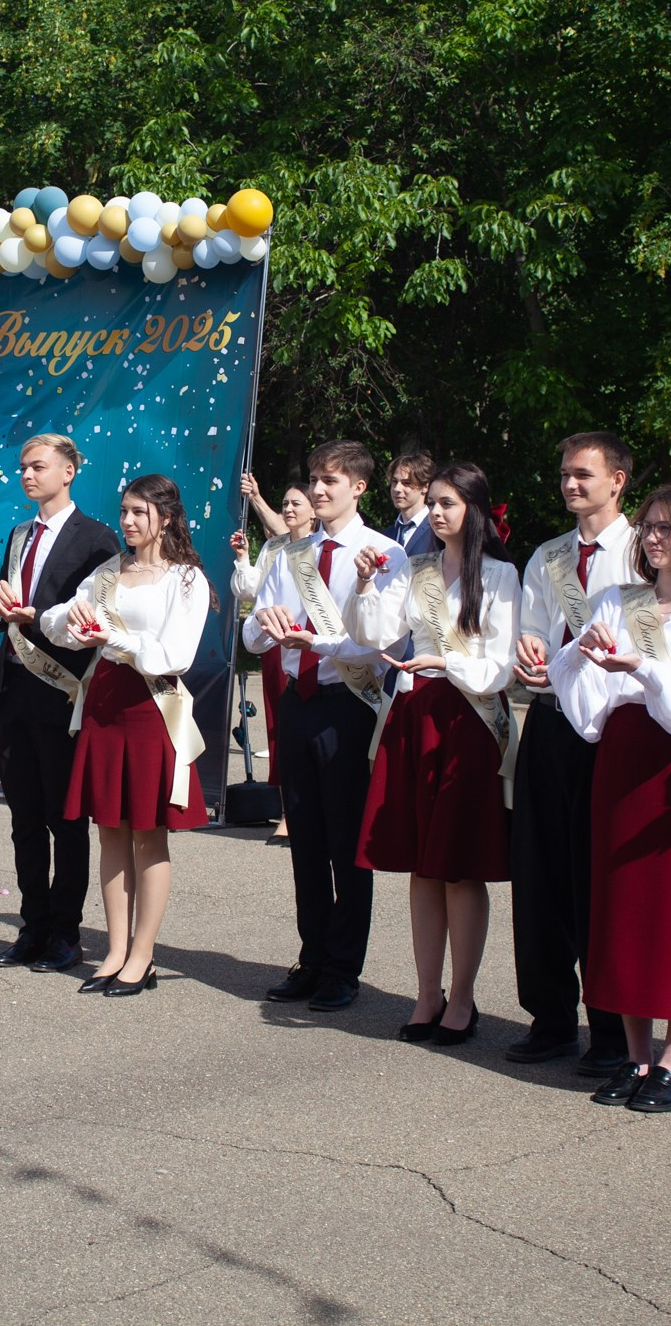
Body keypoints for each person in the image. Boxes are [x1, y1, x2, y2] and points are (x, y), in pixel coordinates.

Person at [552, 484, 671, 1114]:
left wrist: (642, 667)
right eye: (650, 528)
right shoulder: (618, 599)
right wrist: (574, 659)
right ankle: (635, 1055)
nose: (654, 537)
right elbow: (586, 710)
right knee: (621, 908)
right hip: (621, 759)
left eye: (668, 528)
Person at [350, 461, 518, 1047]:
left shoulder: (498, 575)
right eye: (435, 503)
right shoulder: (416, 568)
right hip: (414, 715)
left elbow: (501, 664)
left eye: (448, 503)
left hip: (467, 720)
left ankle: (464, 996)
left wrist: (448, 661)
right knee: (422, 863)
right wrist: (367, 584)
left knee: (459, 864)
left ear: (473, 508)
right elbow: (375, 633)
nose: (438, 513)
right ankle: (427, 992)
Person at [42, 473, 212, 996]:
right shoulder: (109, 571)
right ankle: (114, 950)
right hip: (105, 699)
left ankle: (143, 956)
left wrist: (113, 634)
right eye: (124, 512)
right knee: (110, 829)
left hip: (150, 706)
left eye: (140, 512)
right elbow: (55, 620)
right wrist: (73, 623)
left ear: (166, 516)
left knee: (147, 832)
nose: (129, 522)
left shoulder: (187, 579)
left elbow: (175, 656)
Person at [506, 432, 641, 1075]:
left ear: (617, 480)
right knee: (541, 874)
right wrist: (528, 658)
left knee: (600, 881)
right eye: (564, 473)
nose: (570, 484)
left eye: (583, 474)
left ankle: (612, 1031)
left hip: (614, 730)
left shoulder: (646, 549)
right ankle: (551, 1017)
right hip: (551, 724)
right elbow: (531, 633)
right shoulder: (549, 556)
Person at [247, 442, 396, 1012]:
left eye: (330, 480)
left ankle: (342, 968)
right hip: (297, 702)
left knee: (344, 842)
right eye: (313, 478)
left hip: (348, 702)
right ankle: (311, 957)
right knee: (304, 840)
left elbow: (383, 639)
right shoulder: (289, 554)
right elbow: (252, 636)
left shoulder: (382, 552)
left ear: (359, 487)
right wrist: (263, 624)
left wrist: (323, 641)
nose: (318, 489)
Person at [0, 434, 121, 969]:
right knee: (23, 819)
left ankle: (66, 932)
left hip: (61, 694)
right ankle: (31, 926)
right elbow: (0, 607)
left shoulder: (96, 540)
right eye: (22, 467)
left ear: (68, 472)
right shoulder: (20, 534)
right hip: (13, 691)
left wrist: (31, 615)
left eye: (37, 466)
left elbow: (98, 623)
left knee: (66, 820)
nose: (26, 475)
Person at [232, 481, 315, 845]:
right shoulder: (274, 546)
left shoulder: (320, 547)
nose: (288, 509)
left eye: (296, 503)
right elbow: (253, 592)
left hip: (313, 649)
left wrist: (254, 495)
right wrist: (243, 559)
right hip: (275, 648)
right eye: (285, 503)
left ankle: (308, 810)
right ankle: (287, 810)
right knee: (280, 727)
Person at [384, 451, 438, 559]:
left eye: (406, 483)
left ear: (425, 487)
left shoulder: (437, 531)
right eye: (394, 481)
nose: (397, 489)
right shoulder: (387, 535)